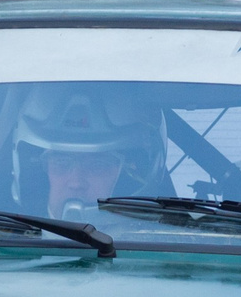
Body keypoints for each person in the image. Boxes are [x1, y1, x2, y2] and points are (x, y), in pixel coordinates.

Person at [12, 86, 168, 220]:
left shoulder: (169, 245)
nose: (76, 183)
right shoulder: (2, 242)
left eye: (97, 165)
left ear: (128, 175)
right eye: (61, 163)